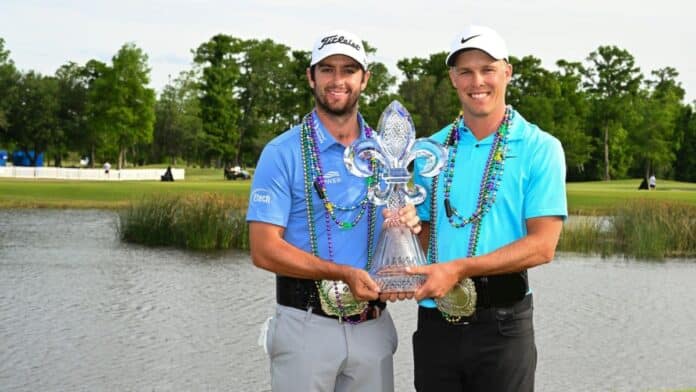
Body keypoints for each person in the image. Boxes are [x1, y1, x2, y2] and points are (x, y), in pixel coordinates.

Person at [246, 29, 420, 392]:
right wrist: (341, 273)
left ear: (365, 79)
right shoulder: (282, 152)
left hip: (372, 326)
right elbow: (263, 249)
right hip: (305, 326)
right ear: (311, 76)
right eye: (327, 69)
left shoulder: (389, 155)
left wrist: (407, 228)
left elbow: (399, 234)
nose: (338, 80)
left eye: (349, 70)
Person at [407, 25, 567, 392]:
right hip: (436, 324)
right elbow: (429, 236)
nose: (477, 81)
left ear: (507, 72)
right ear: (452, 78)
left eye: (487, 69)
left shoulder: (539, 147)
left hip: (504, 325)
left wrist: (460, 267)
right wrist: (409, 226)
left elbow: (543, 245)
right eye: (465, 71)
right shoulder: (431, 149)